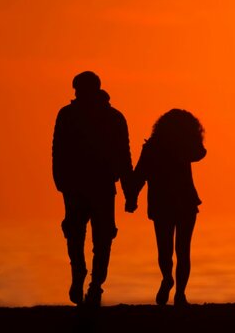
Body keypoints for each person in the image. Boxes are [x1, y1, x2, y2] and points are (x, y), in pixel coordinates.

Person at [52, 71, 136, 307]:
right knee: (76, 234)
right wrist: (61, 182)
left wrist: (129, 193)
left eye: (80, 90)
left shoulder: (114, 118)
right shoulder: (67, 115)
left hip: (101, 187)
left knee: (103, 238)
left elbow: (123, 157)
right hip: (76, 187)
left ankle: (95, 285)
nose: (78, 94)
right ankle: (79, 275)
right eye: (76, 90)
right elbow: (58, 150)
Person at [129, 109, 206, 307]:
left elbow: (139, 175)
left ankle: (167, 279)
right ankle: (180, 294)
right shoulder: (185, 148)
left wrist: (131, 198)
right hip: (185, 202)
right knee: (183, 250)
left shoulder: (152, 147)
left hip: (161, 203)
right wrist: (191, 135)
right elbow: (201, 152)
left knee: (165, 249)